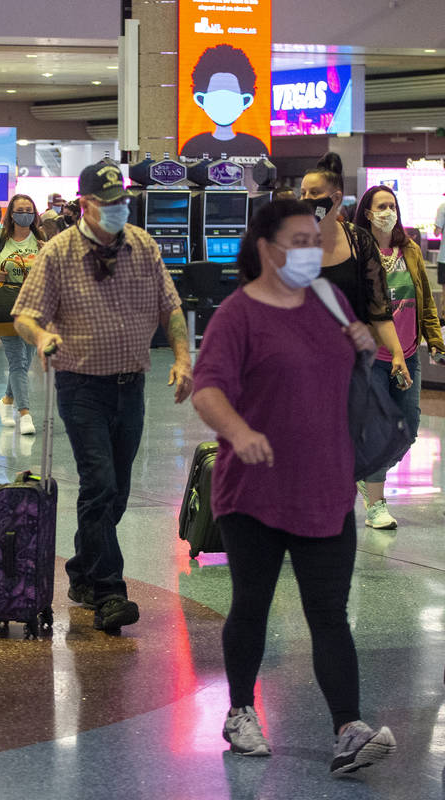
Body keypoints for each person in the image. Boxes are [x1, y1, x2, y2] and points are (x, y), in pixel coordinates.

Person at [190, 198, 396, 774]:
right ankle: (239, 710)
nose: (312, 251)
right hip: (255, 491)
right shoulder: (238, 314)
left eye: (316, 240)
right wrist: (239, 431)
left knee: (328, 612)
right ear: (266, 249)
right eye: (300, 241)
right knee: (251, 606)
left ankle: (348, 728)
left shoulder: (329, 302)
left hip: (326, 485)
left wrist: (362, 347)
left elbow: (347, 380)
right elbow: (208, 388)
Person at [12, 161, 192, 633]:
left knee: (116, 494)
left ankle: (81, 573)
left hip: (130, 385)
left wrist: (182, 357)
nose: (117, 209)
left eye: (122, 202)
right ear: (86, 204)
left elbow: (170, 306)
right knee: (100, 483)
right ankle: (111, 592)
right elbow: (24, 315)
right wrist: (40, 337)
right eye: (108, 202)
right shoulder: (57, 252)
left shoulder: (143, 246)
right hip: (80, 385)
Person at [352, 185, 444, 529]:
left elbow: (426, 304)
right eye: (381, 206)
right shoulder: (358, 254)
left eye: (392, 205)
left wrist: (435, 340)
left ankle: (366, 473)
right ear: (368, 213)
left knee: (408, 429)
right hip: (372, 358)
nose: (388, 211)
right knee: (377, 431)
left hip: (408, 353)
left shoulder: (411, 251)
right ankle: (376, 503)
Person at [299, 154, 407, 391]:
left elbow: (378, 308)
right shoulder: (290, 243)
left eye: (314, 193)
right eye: (303, 193)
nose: (306, 199)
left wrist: (397, 353)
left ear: (336, 198)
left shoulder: (358, 241)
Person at [0, 194, 46, 435]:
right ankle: (24, 413)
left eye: (29, 209)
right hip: (6, 306)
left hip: (34, 308)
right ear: (11, 214)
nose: (24, 213)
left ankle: (6, 401)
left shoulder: (41, 239)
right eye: (20, 210)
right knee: (18, 360)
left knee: (24, 362)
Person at [179, 44, 270, 159]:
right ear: (201, 99)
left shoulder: (257, 147)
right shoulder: (192, 146)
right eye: (216, 93)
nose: (223, 102)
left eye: (230, 93)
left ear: (245, 100)